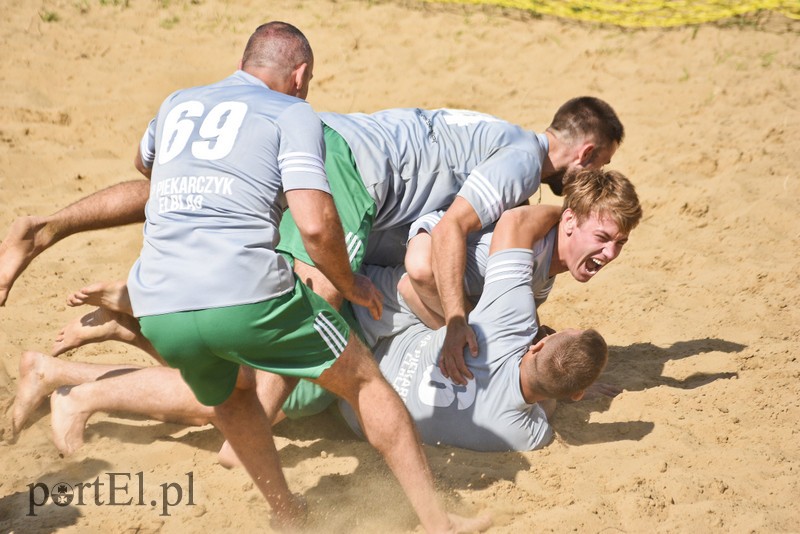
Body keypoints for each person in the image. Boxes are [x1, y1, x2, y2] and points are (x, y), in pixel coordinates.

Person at [57, 21, 486, 533]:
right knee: (366, 381)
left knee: (234, 395)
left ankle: (286, 511)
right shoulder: (291, 111)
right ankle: (439, 523)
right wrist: (350, 283)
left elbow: (146, 166)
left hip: (158, 303)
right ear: (300, 75)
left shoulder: (177, 102)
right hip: (244, 293)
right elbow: (315, 224)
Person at [0, 98, 624, 389]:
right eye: (594, 170)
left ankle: (48, 228)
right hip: (355, 168)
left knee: (189, 186)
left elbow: (147, 172)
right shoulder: (521, 159)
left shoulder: (502, 135)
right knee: (314, 297)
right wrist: (459, 318)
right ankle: (247, 421)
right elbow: (456, 226)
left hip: (339, 145)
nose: (585, 185)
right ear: (587, 152)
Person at [13, 168, 641, 454]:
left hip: (369, 321)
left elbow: (517, 340)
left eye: (619, 245)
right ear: (574, 219)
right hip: (361, 316)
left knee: (235, 384)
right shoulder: (525, 258)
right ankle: (72, 386)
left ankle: (125, 327)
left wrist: (568, 368)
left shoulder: (530, 287)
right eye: (601, 237)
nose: (609, 254)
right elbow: (498, 230)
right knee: (236, 405)